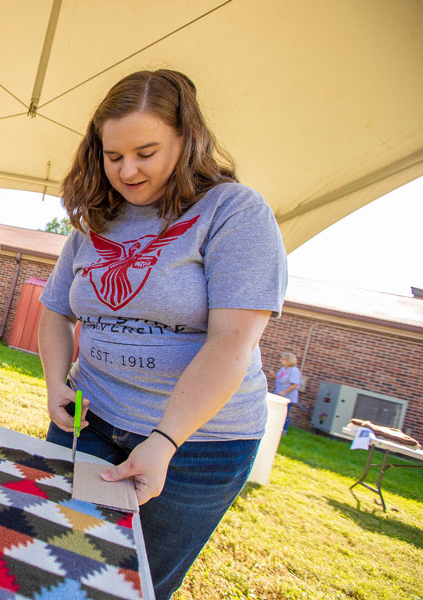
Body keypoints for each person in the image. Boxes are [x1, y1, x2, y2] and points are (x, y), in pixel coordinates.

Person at [37, 69, 287, 598]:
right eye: (112, 156)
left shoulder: (234, 211)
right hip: (90, 420)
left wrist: (166, 439)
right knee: (51, 561)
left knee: (126, 585)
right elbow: (56, 312)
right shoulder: (95, 218)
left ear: (186, 139)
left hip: (197, 446)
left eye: (145, 153)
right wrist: (56, 384)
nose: (126, 171)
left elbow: (231, 342)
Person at [274, 352, 302, 432]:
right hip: (279, 394)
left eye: (283, 359)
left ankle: (284, 430)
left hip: (288, 396)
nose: (281, 360)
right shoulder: (283, 369)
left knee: (285, 413)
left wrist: (284, 392)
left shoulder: (294, 371)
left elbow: (295, 384)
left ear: (289, 360)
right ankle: (276, 428)